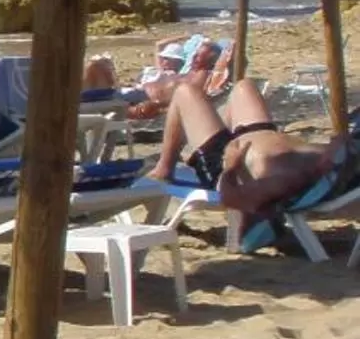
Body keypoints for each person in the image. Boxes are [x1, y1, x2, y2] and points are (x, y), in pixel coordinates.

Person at [149, 77, 360, 249]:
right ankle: (201, 132)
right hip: (254, 139)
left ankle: (163, 169)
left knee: (184, 92)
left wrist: (231, 166)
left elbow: (231, 196)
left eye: (340, 145)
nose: (337, 138)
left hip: (224, 161)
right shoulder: (325, 161)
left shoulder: (286, 180)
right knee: (244, 86)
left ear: (330, 166)